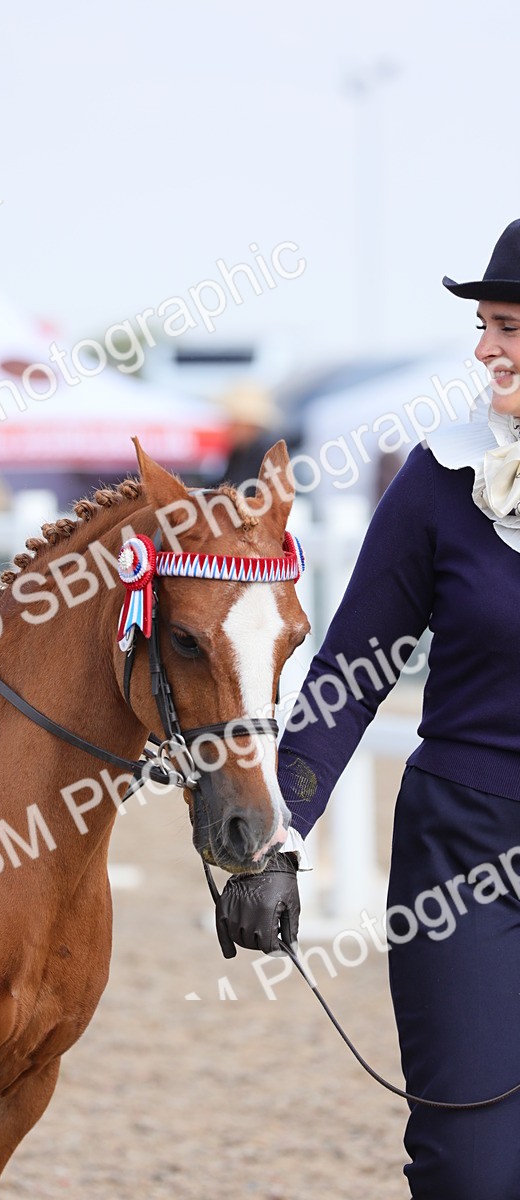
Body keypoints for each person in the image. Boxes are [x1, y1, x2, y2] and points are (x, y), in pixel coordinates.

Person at [215, 219, 520, 1200]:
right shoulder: (439, 477)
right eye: (483, 324)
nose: (483, 348)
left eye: (507, 326)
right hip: (463, 854)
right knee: (468, 1168)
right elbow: (346, 675)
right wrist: (277, 837)